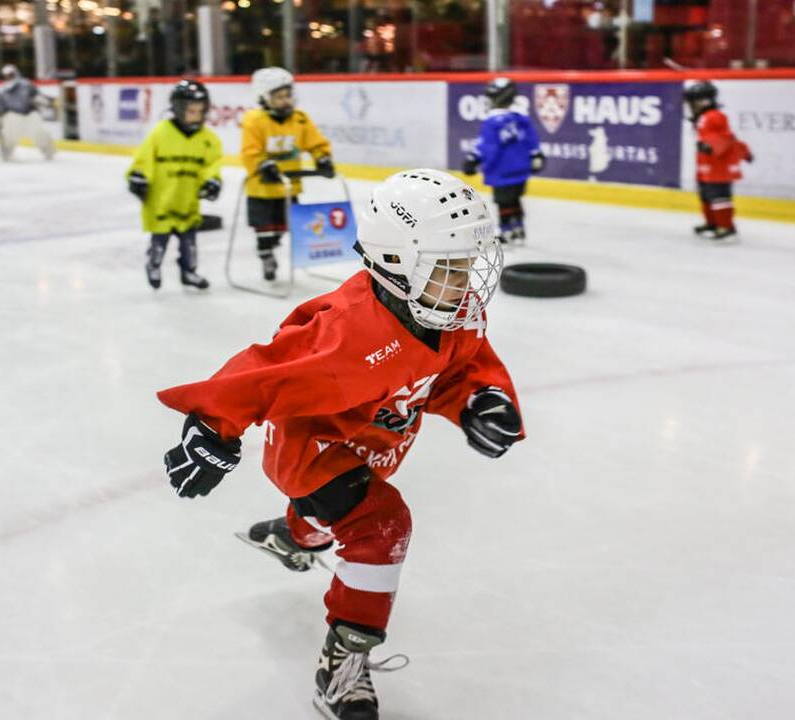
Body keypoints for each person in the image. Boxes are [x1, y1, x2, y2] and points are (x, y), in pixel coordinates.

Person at [157, 169, 524, 720]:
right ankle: (341, 669)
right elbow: (266, 370)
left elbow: (460, 368)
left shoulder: (444, 311)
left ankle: (296, 536)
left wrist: (480, 400)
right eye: (451, 267)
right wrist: (212, 426)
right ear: (397, 264)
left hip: (373, 443)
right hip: (312, 446)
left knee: (336, 519)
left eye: (468, 263)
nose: (468, 279)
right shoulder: (350, 331)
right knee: (380, 527)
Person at [127, 79, 223, 290]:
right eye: (191, 110)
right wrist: (138, 176)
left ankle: (189, 272)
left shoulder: (209, 139)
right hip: (161, 202)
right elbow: (144, 159)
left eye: (201, 110)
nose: (196, 115)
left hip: (187, 202)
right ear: (179, 109)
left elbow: (212, 165)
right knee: (159, 240)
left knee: (189, 243)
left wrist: (212, 181)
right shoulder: (161, 132)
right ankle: (153, 264)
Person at [240, 67, 334, 281]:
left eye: (287, 95)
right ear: (264, 97)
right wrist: (263, 164)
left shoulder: (300, 119)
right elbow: (250, 151)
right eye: (278, 97)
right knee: (265, 230)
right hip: (262, 189)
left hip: (288, 186)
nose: (285, 101)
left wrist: (322, 158)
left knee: (283, 228)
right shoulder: (254, 120)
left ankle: (271, 247)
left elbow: (316, 143)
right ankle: (266, 254)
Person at [462, 77, 544, 244]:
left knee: (503, 203)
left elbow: (487, 146)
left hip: (502, 170)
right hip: (521, 169)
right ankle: (519, 228)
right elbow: (532, 141)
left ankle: (506, 230)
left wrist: (473, 160)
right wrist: (536, 156)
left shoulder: (492, 122)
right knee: (514, 199)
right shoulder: (521, 118)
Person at [683, 81, 753, 241]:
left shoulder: (715, 116)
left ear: (703, 101)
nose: (690, 106)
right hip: (706, 164)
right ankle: (712, 222)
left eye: (693, 102)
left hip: (719, 165)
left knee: (719, 196)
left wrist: (712, 147)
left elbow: (727, 137)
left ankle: (726, 226)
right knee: (706, 194)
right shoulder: (702, 118)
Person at [0, 64, 55, 161]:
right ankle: (6, 156)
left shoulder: (26, 84)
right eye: (7, 75)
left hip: (30, 114)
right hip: (13, 116)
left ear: (16, 73)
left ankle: (49, 154)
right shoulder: (0, 90)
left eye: (11, 74)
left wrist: (47, 102)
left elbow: (37, 96)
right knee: (8, 137)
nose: (9, 77)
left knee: (40, 135)